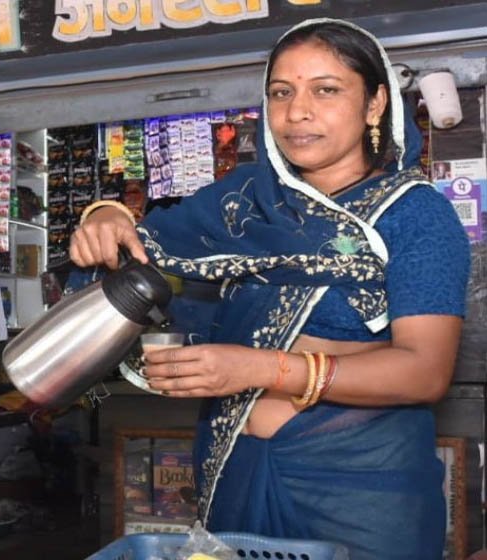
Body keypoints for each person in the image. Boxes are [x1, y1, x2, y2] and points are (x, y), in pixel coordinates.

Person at [69, 19, 469, 559]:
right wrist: (107, 214)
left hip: (360, 490)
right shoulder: (245, 203)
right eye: (281, 92)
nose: (297, 112)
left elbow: (424, 372)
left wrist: (259, 368)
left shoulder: (416, 214)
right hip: (234, 471)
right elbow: (142, 249)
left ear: (375, 103)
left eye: (326, 90)